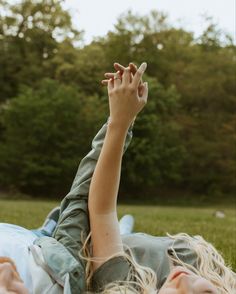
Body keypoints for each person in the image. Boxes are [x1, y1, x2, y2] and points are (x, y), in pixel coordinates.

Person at [86, 62, 236, 294]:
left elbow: (102, 210)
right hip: (138, 240)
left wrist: (122, 118)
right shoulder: (222, 280)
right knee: (126, 226)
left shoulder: (123, 283)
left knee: (52, 228)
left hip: (107, 237)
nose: (185, 282)